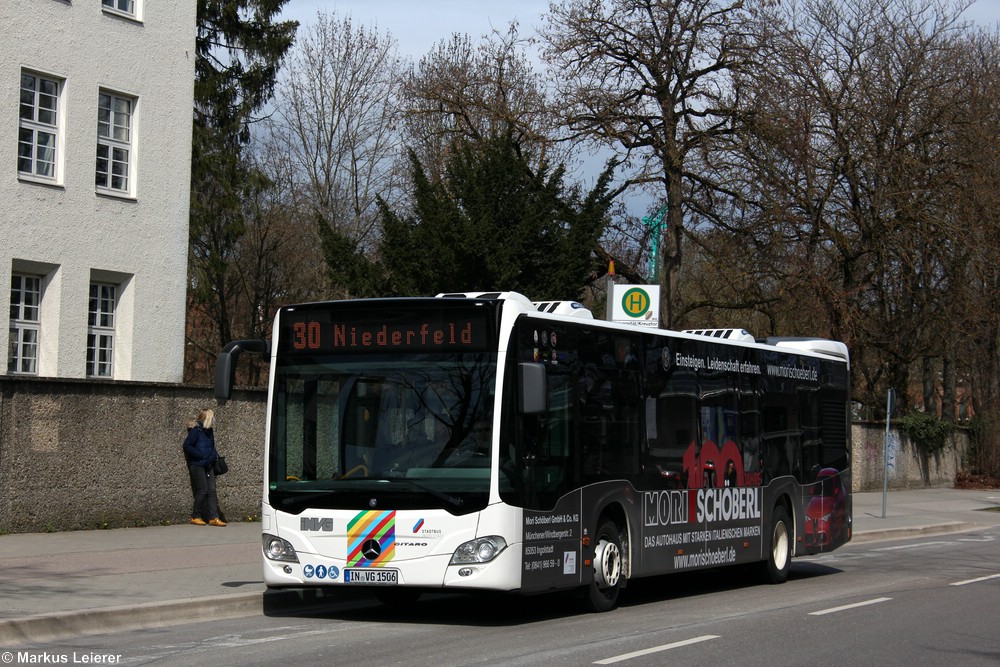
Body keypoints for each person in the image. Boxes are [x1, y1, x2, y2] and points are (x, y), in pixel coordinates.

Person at [183, 408, 226, 526]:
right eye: (212, 418)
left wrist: (213, 457)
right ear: (207, 418)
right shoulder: (196, 431)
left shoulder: (209, 431)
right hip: (197, 465)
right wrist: (200, 455)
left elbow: (212, 447)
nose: (213, 420)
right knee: (203, 490)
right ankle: (195, 516)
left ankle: (214, 517)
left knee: (212, 491)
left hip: (209, 464)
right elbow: (187, 446)